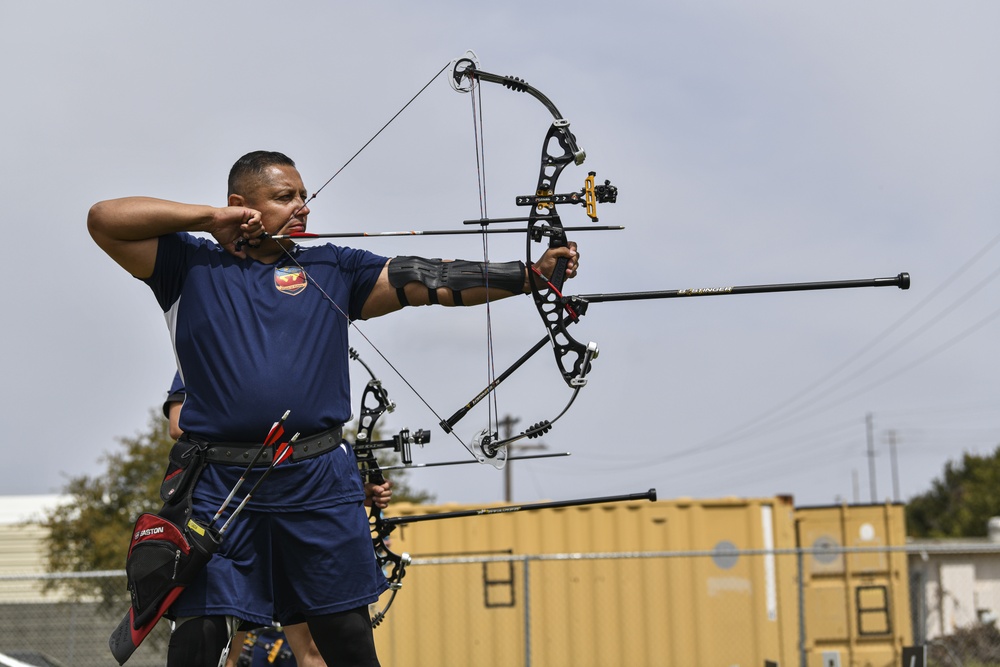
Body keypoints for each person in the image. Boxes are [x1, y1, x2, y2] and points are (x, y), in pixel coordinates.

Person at [88, 149, 579, 667]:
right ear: (241, 205)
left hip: (316, 479)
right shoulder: (188, 264)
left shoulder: (332, 266)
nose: (302, 206)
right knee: (200, 636)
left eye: (304, 196)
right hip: (217, 482)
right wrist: (211, 219)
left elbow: (427, 278)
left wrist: (527, 276)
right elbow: (104, 220)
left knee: (345, 638)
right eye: (285, 197)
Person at [163, 374, 336, 667]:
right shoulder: (207, 352)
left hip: (289, 505)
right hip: (228, 509)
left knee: (313, 653)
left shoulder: (290, 358)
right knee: (224, 649)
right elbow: (178, 424)